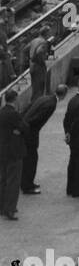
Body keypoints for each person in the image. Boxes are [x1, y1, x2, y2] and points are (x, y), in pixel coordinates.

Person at [21, 84, 68, 194]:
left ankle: (26, 182)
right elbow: (37, 119)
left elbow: (29, 108)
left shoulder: (44, 98)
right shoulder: (52, 104)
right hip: (30, 133)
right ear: (64, 95)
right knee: (31, 159)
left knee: (29, 158)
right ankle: (27, 186)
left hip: (27, 130)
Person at [0, 91, 29, 220]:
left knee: (3, 179)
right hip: (14, 152)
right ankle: (10, 209)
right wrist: (17, 130)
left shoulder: (1, 113)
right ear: (15, 99)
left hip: (2, 151)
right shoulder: (14, 114)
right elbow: (25, 127)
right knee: (13, 181)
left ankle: (2, 206)